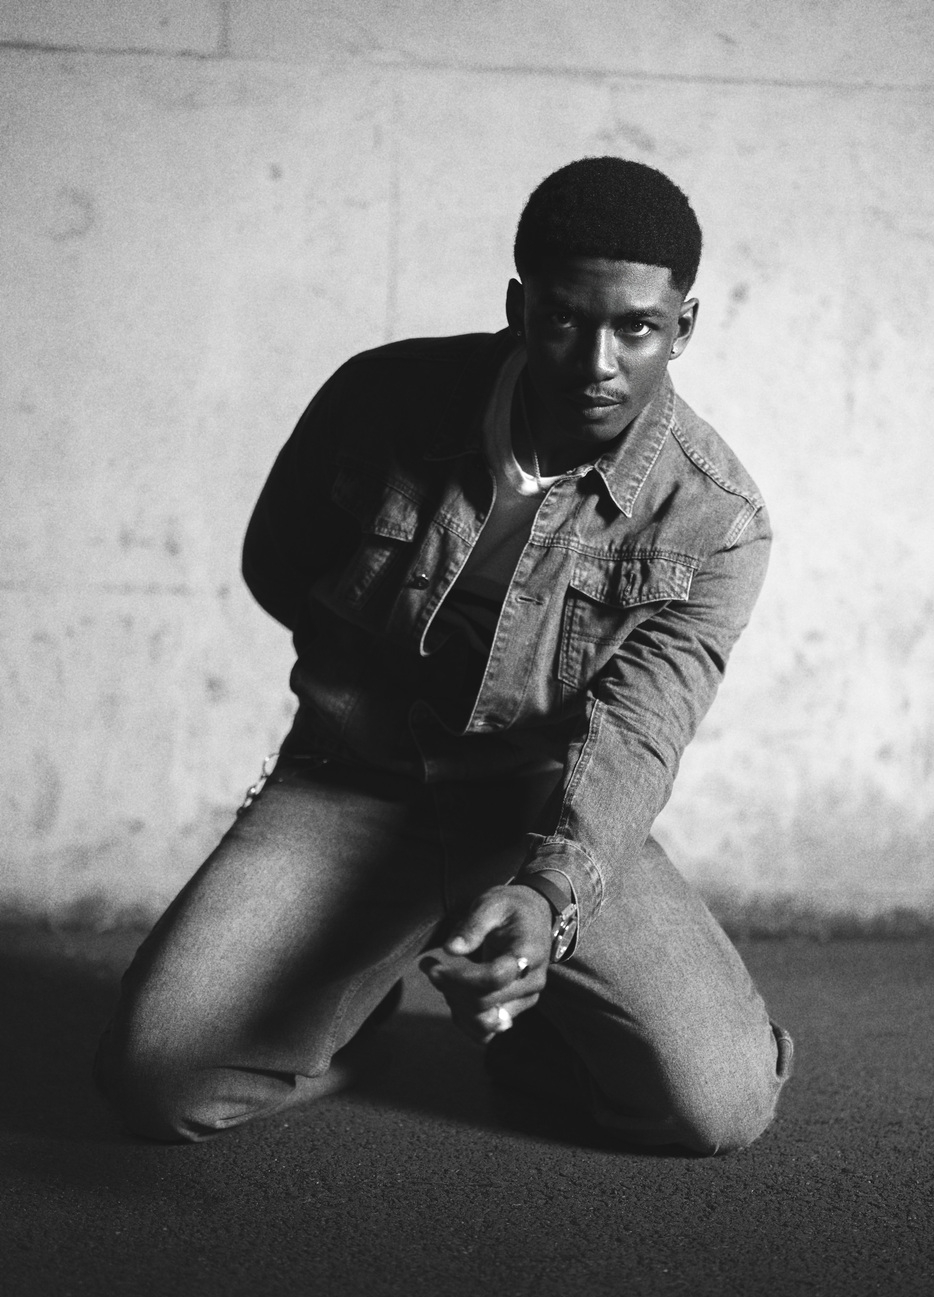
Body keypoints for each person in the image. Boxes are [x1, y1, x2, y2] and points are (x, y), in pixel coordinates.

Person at [96, 157, 793, 1154]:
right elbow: (279, 563)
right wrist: (360, 705)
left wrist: (549, 893)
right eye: (565, 319)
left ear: (681, 325)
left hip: (536, 811)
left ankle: (532, 1033)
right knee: (156, 1082)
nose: (598, 362)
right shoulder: (383, 398)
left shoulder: (715, 520)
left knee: (717, 1108)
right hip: (354, 784)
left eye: (636, 328)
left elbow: (642, 730)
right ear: (519, 308)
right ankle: (352, 1008)